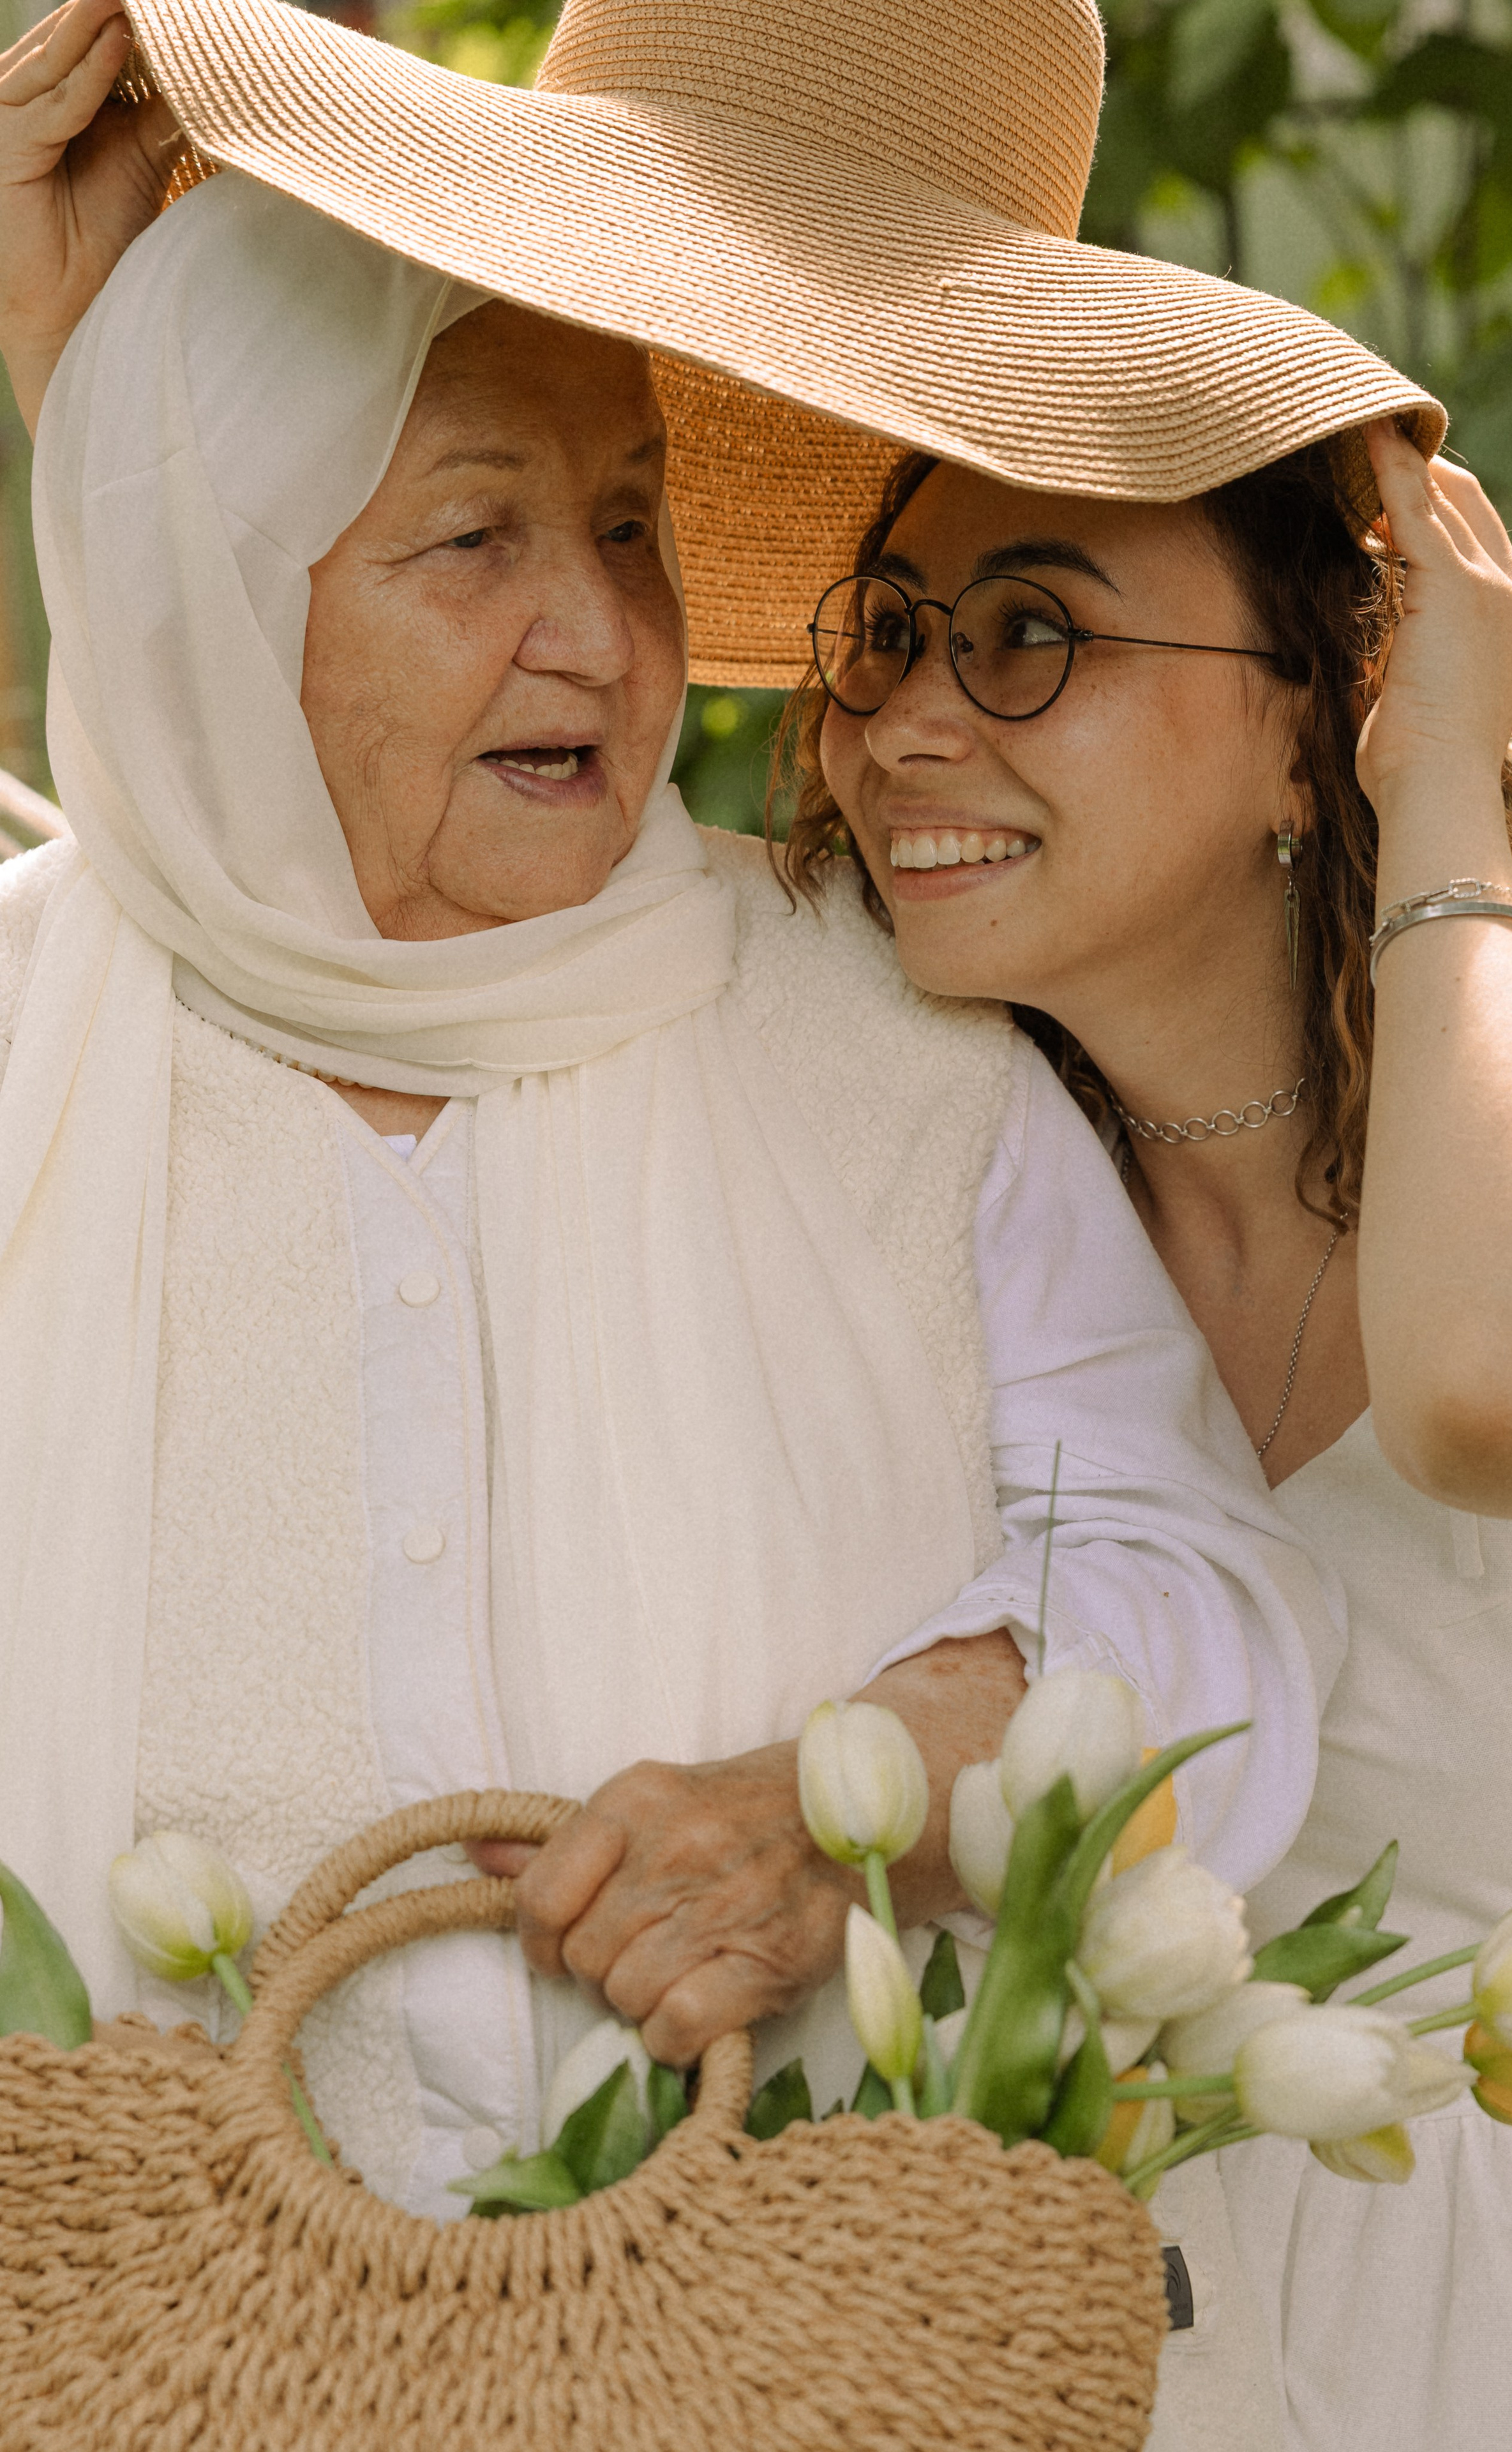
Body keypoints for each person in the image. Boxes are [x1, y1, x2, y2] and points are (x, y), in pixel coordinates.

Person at [0, 0, 1338, 2293]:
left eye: (632, 527)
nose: (603, 635)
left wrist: (849, 1802)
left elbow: (1212, 1611)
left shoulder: (879, 1034)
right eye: (473, 536)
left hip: (774, 2361)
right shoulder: (37, 1033)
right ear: (240, 572)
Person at [791, 372, 1512, 2441]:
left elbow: (1501, 1395)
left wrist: (1442, 782)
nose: (906, 724)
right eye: (888, 633)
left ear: (1311, 717)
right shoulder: (933, 1224)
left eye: (1032, 632)